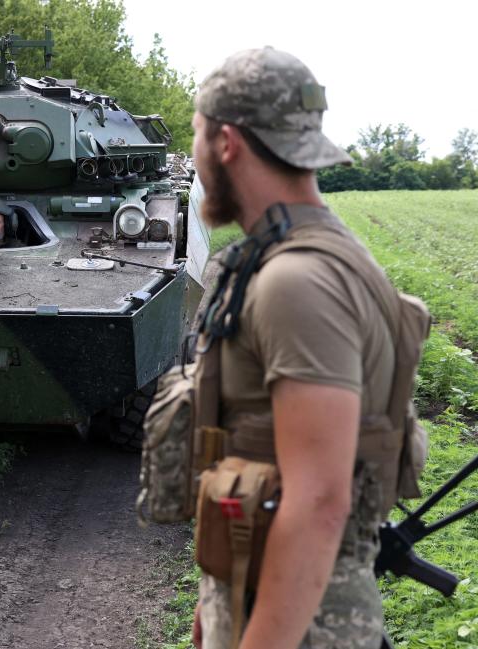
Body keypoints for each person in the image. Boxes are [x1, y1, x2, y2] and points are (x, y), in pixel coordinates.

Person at [189, 48, 399, 649]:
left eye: (198, 136)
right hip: (264, 603)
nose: (197, 157)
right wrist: (214, 603)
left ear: (226, 142)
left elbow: (318, 501)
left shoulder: (296, 282)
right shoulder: (287, 260)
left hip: (299, 626)